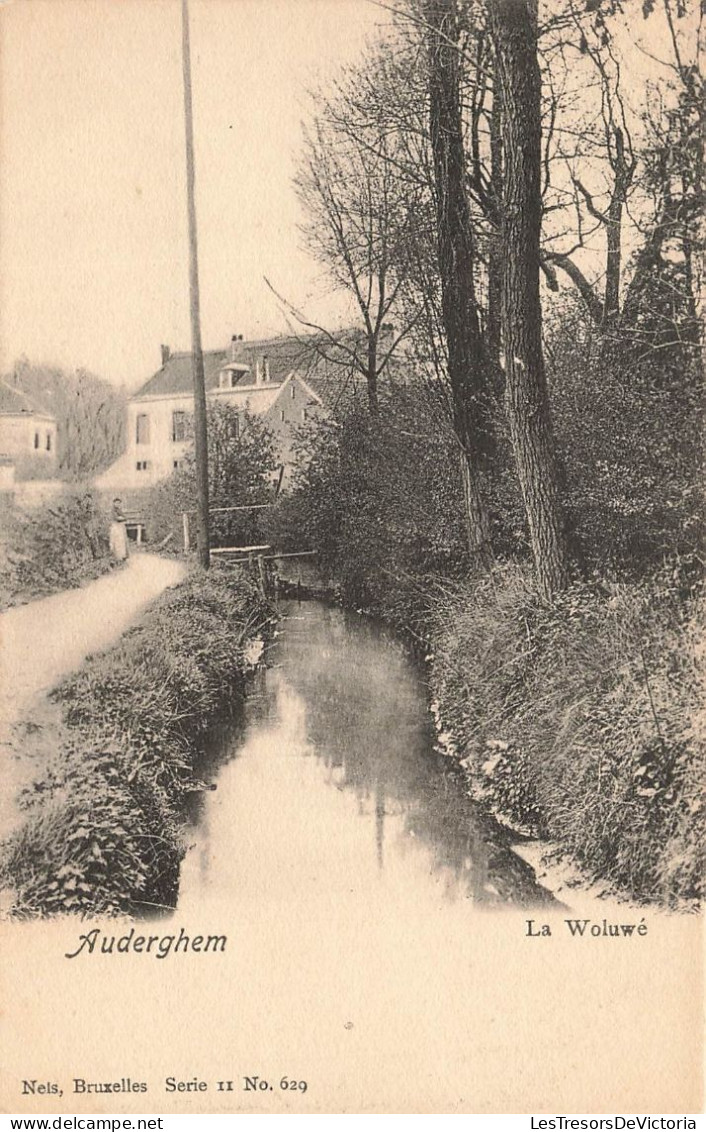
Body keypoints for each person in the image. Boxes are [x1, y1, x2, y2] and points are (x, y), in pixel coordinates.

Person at [109, 497, 129, 562]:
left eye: (119, 503)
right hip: (115, 527)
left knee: (121, 541)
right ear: (114, 503)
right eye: (116, 503)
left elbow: (125, 517)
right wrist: (121, 518)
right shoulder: (113, 510)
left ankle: (122, 556)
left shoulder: (119, 510)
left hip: (120, 527)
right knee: (116, 541)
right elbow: (116, 518)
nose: (118, 504)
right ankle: (117, 556)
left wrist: (122, 518)